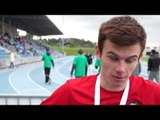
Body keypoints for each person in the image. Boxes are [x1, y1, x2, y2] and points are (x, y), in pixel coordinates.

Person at [41, 15, 160, 105]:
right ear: (98, 52)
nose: (121, 69)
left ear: (139, 58)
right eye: (113, 58)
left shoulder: (154, 93)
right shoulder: (71, 92)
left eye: (130, 60)